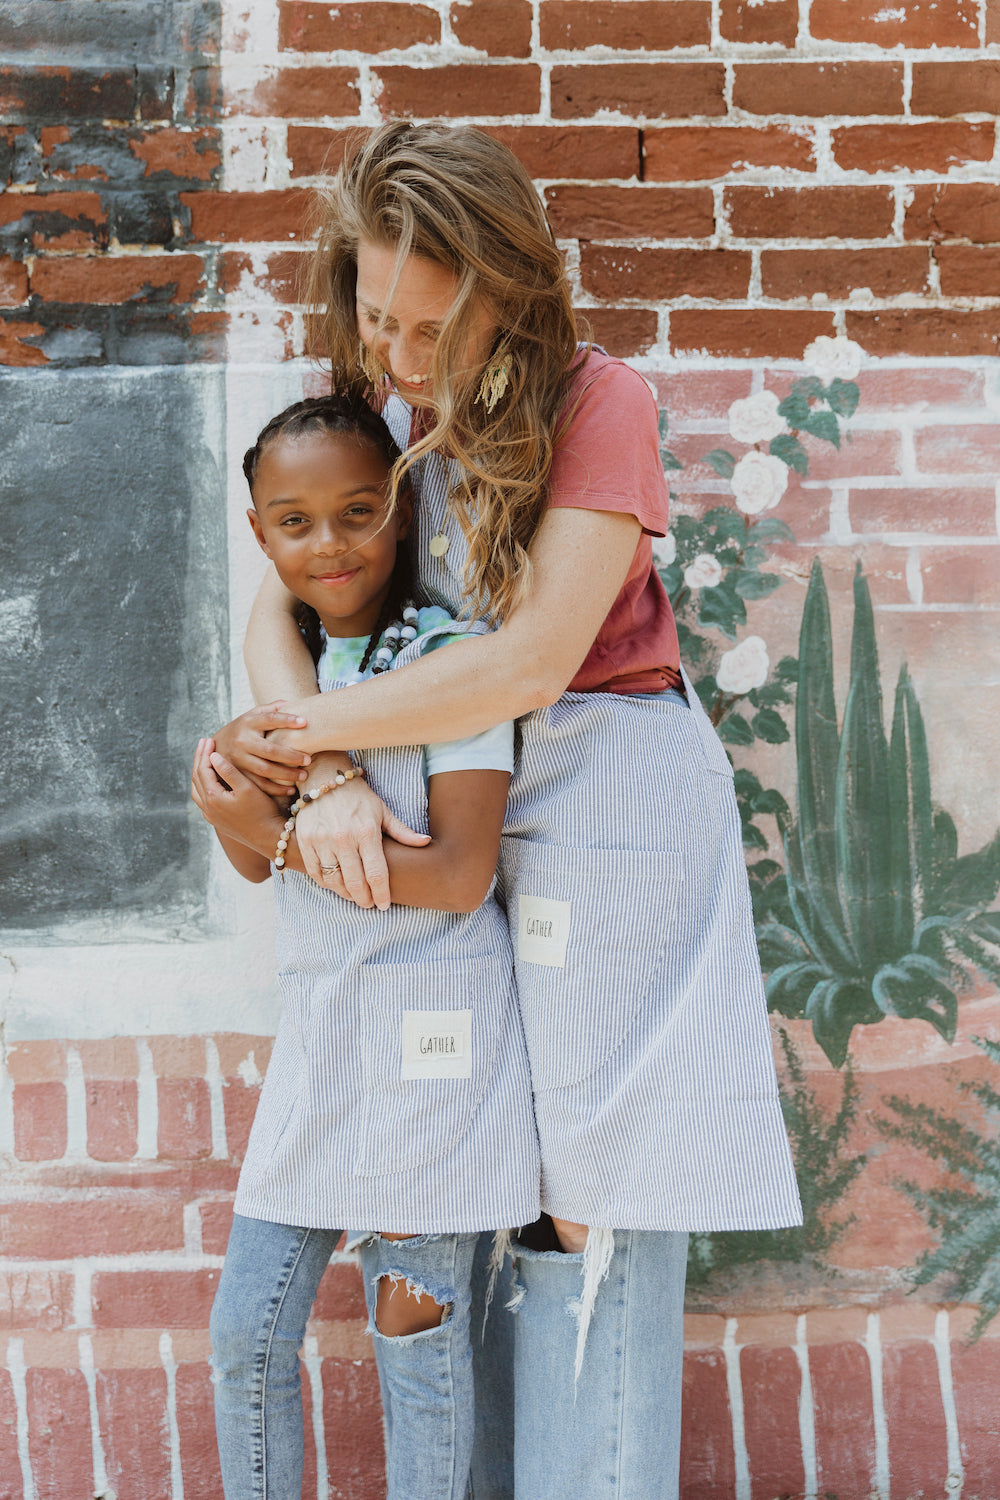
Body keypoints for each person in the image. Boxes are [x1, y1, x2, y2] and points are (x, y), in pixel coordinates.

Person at [214, 122, 802, 1500]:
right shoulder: (380, 406)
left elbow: (538, 657)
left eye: (432, 326)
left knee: (583, 1211)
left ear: (511, 291)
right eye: (373, 319)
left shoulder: (604, 401)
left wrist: (301, 737)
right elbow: (275, 608)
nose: (398, 360)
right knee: (464, 1188)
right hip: (448, 769)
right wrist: (337, 772)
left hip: (605, 797)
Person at [193, 394, 539, 1500]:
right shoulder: (288, 677)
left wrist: (269, 833)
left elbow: (456, 874)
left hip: (435, 1036)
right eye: (294, 522)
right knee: (247, 1335)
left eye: (356, 512)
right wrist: (233, 809)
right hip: (326, 1025)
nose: (329, 543)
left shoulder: (450, 660)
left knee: (416, 1339)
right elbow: (252, 858)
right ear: (259, 535)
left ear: (399, 511)